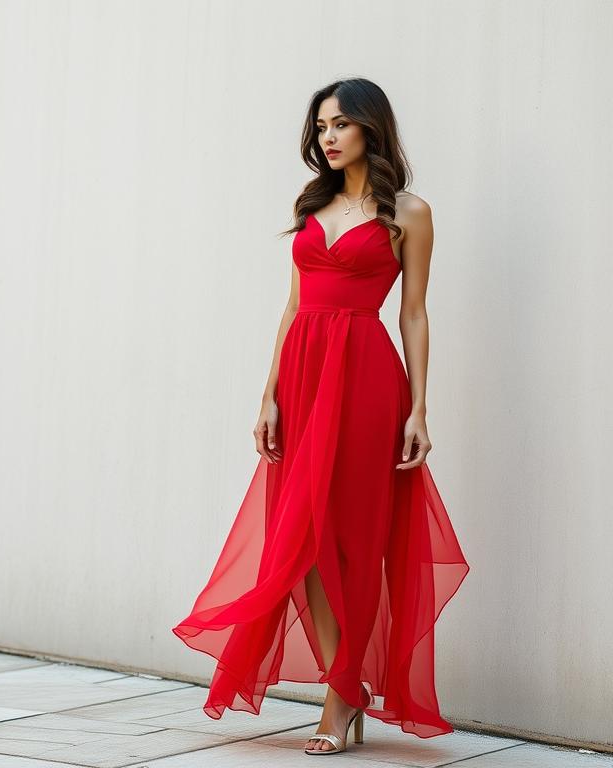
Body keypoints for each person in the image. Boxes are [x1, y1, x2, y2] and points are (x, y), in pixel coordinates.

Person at [171, 78, 470, 756]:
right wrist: (268, 392)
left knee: (356, 540)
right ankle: (347, 683)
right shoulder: (314, 206)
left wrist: (420, 408)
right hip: (304, 379)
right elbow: (292, 304)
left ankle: (338, 704)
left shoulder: (410, 214)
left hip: (366, 379)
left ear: (372, 127)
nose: (327, 137)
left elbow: (415, 313)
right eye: (321, 127)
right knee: (300, 540)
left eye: (340, 124)